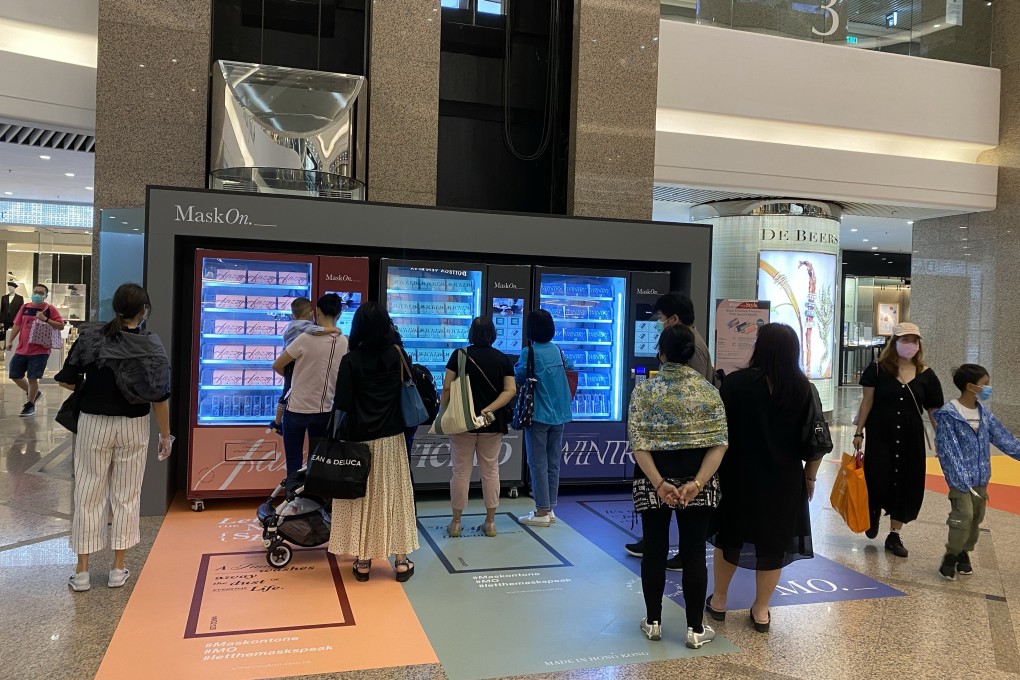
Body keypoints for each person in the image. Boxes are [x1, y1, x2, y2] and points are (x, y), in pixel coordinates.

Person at [55, 283, 172, 592]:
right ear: (144, 310)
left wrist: (92, 387)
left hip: (93, 423)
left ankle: (81, 573)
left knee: (88, 493)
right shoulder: (151, 344)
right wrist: (166, 435)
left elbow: (66, 381)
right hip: (134, 425)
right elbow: (160, 396)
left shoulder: (91, 338)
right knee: (126, 495)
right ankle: (117, 569)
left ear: (114, 307)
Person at [708, 323, 822, 633]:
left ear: (760, 347)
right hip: (783, 480)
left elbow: (718, 431)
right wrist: (809, 478)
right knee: (774, 545)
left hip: (738, 476)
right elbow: (816, 440)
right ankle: (760, 610)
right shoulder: (803, 388)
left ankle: (718, 601)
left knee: (729, 537)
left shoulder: (736, 384)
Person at [628, 325, 728, 648]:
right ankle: (695, 629)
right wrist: (697, 484)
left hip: (652, 481)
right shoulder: (709, 391)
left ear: (661, 353)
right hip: (697, 483)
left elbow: (638, 442)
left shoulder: (645, 391)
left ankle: (654, 622)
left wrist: (659, 483)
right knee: (695, 552)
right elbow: (719, 444)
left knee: (654, 551)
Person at [328, 302, 418, 582]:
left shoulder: (350, 360)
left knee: (361, 499)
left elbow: (341, 403)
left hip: (359, 441)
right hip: (392, 438)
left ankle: (363, 560)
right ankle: (401, 561)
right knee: (395, 497)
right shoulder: (398, 355)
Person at [624, 291, 715, 565]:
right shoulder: (688, 339)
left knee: (683, 506)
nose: (659, 323)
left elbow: (692, 394)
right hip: (677, 443)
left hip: (682, 445)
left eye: (662, 318)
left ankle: (682, 554)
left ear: (674, 318)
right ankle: (656, 544)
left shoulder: (692, 347)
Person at [853, 322, 943, 558]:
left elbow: (934, 410)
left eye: (914, 340)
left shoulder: (926, 374)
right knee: (877, 475)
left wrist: (942, 440)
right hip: (881, 434)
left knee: (907, 482)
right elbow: (867, 402)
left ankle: (894, 534)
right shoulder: (877, 369)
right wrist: (858, 432)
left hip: (911, 438)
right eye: (905, 340)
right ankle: (872, 513)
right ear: (894, 342)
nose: (910, 345)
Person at [934, 364, 1020, 580]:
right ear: (971, 386)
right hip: (960, 480)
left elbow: (1004, 439)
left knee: (976, 520)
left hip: (981, 479)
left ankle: (964, 552)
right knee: (963, 517)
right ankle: (951, 556)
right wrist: (960, 479)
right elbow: (947, 450)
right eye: (985, 384)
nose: (988, 388)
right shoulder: (949, 415)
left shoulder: (985, 415)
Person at [443, 317, 516, 538]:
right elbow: (510, 390)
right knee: (491, 470)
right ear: (493, 334)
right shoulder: (502, 358)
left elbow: (447, 387)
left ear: (471, 333)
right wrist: (488, 409)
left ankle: (456, 522)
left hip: (462, 423)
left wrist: (443, 413)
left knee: (460, 472)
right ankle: (491, 522)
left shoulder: (459, 355)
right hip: (492, 423)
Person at [272, 294, 347, 481]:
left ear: (317, 312)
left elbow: (277, 365)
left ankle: (292, 502)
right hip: (324, 410)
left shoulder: (305, 338)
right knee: (317, 461)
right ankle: (312, 501)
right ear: (339, 314)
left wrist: (294, 378)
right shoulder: (344, 342)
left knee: (294, 462)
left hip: (297, 408)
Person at [515, 309, 573, 527]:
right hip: (560, 414)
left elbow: (520, 376)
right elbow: (571, 370)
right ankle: (550, 507)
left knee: (537, 462)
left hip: (538, 414)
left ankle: (541, 511)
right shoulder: (558, 350)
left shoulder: (528, 352)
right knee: (553, 462)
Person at [9, 283, 65, 417]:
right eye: (35, 292)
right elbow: (17, 325)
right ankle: (34, 393)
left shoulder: (49, 309)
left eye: (41, 293)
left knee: (32, 378)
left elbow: (61, 326)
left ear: (46, 296)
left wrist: (45, 319)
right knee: (15, 375)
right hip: (22, 349)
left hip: (40, 351)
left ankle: (30, 405)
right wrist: (10, 341)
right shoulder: (25, 307)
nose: (37, 295)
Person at [269, 297, 323, 432]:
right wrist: (333, 330)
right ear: (312, 313)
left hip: (288, 364)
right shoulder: (307, 327)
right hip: (298, 366)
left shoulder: (290, 326)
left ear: (292, 315)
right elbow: (319, 332)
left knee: (285, 393)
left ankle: (277, 422)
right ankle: (277, 423)